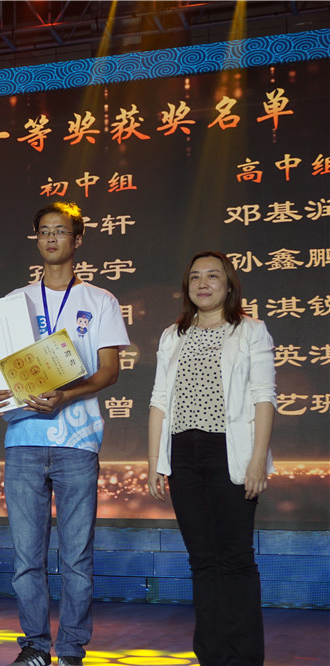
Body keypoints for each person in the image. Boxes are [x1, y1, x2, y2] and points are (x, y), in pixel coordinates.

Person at [0, 202, 129, 666]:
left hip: (77, 441)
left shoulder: (100, 301)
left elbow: (109, 371)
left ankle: (71, 649)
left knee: (76, 557)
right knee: (27, 557)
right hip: (23, 440)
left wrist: (66, 396)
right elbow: (3, 371)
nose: (50, 238)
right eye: (43, 231)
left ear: (77, 239)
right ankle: (35, 646)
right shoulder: (14, 301)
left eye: (60, 231)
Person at [147, 251, 274, 666]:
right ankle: (212, 657)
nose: (203, 283)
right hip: (183, 455)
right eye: (195, 277)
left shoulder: (250, 331)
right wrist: (155, 461)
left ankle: (244, 657)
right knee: (202, 560)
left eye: (213, 276)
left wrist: (258, 460)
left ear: (229, 284)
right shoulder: (173, 335)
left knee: (235, 559)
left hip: (230, 452)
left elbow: (264, 397)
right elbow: (159, 401)